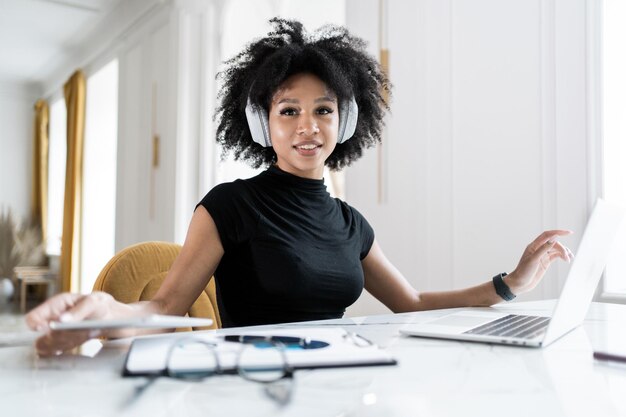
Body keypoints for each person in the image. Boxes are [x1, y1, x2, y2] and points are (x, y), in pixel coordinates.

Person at [27, 18, 573, 356]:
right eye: (288, 111)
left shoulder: (351, 224)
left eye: (323, 110)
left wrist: (512, 284)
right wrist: (102, 312)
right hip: (253, 385)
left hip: (338, 378)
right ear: (263, 124)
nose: (307, 126)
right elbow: (165, 307)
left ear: (347, 121)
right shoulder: (229, 206)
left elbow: (412, 304)